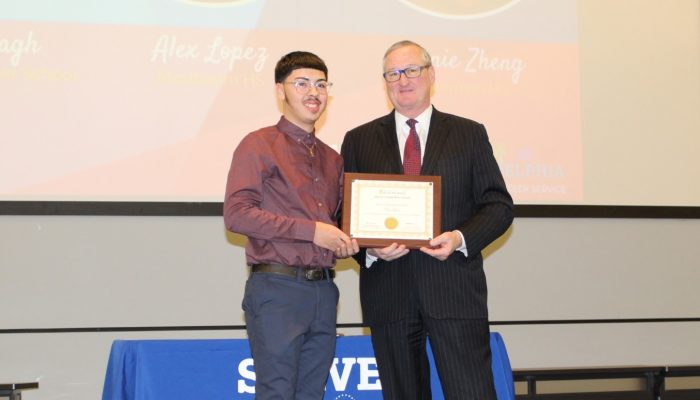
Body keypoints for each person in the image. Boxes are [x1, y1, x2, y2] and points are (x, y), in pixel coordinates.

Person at [341, 40, 513, 399]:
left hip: (453, 291)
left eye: (411, 70)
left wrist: (460, 238)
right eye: (393, 74)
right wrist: (371, 251)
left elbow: (498, 205)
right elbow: (344, 216)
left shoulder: (469, 133)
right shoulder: (359, 140)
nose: (402, 80)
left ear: (431, 74)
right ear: (384, 82)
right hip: (389, 293)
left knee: (472, 393)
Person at [224, 51, 359, 400]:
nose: (313, 92)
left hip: (324, 291)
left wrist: (357, 240)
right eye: (301, 83)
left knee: (312, 393)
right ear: (280, 91)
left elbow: (343, 223)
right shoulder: (258, 144)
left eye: (321, 84)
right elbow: (237, 214)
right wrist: (313, 231)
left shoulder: (333, 158)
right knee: (277, 393)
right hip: (277, 289)